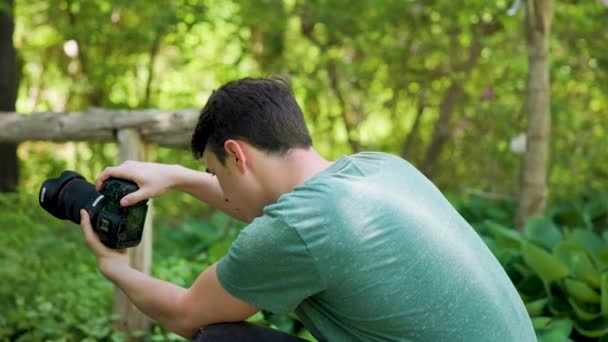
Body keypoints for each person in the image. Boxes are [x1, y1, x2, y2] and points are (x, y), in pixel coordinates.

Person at [80, 76, 536, 341]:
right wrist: (177, 178)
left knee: (221, 339)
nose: (220, 187)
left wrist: (114, 266)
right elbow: (262, 204)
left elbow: (185, 313)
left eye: (218, 174)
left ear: (238, 155)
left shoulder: (298, 230)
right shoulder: (378, 169)